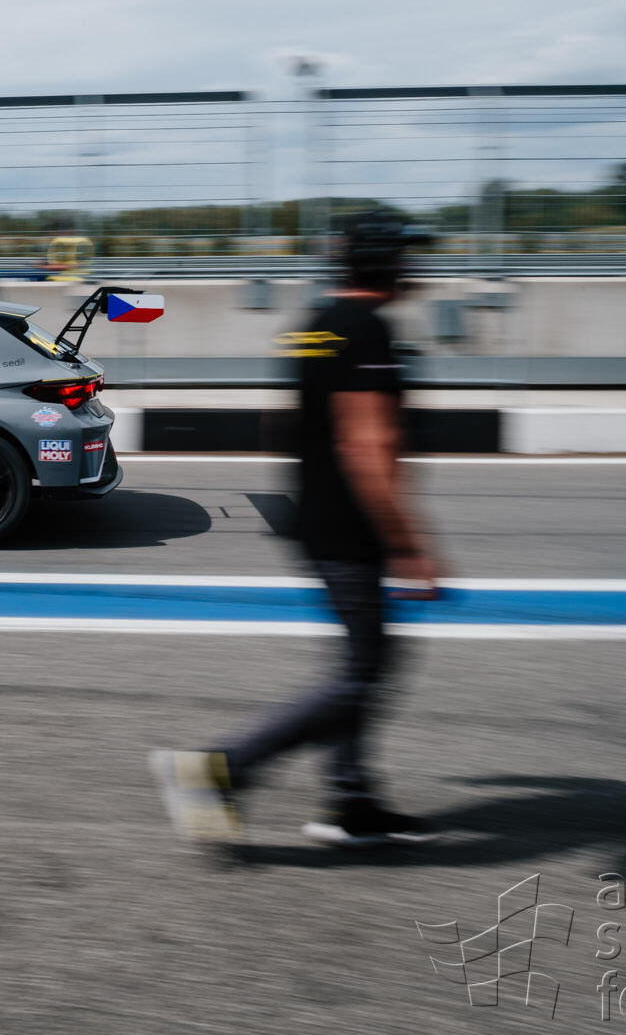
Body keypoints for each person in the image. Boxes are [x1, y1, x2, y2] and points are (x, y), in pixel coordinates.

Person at [152, 209, 441, 848]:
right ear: (387, 262)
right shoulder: (367, 329)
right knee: (363, 672)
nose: (415, 267)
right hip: (352, 525)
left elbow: (280, 424)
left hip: (318, 517)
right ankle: (220, 771)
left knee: (359, 663)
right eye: (407, 256)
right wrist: (409, 544)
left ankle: (352, 800)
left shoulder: (313, 326)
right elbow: (368, 444)